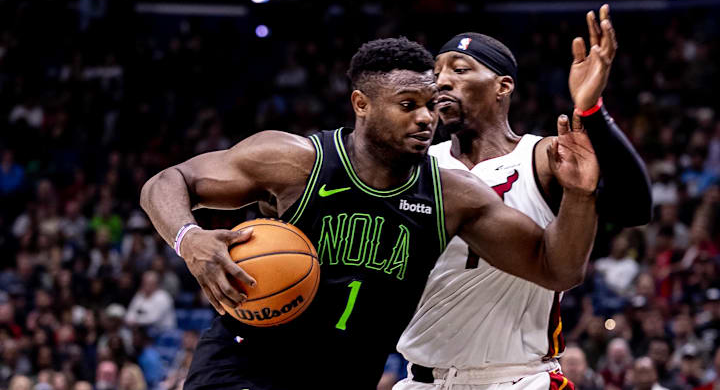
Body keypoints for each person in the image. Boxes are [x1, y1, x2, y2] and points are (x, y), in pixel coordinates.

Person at [141, 37, 600, 389]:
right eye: (408, 105)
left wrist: (579, 196)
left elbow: (555, 267)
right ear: (362, 104)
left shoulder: (452, 195)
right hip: (247, 364)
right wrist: (190, 238)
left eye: (429, 105)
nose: (426, 117)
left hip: (347, 377)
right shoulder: (295, 161)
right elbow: (167, 182)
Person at [395, 5, 651, 389]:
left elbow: (635, 207)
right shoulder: (413, 166)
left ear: (503, 86)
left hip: (518, 378)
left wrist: (592, 111)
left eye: (459, 69)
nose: (442, 81)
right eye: (436, 74)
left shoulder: (541, 157)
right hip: (423, 381)